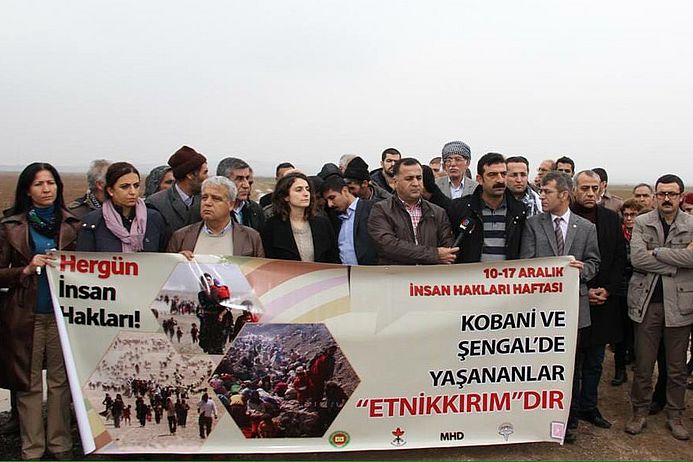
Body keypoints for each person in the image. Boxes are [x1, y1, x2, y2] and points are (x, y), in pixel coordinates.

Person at [0, 162, 79, 460]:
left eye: (51, 183)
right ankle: (32, 448)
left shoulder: (73, 224)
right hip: (26, 315)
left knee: (60, 382)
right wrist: (26, 268)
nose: (47, 189)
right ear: (27, 190)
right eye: (39, 184)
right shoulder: (11, 226)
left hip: (63, 316)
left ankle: (60, 445)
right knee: (29, 383)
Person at [520, 171, 600, 443]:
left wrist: (582, 271)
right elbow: (527, 263)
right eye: (541, 191)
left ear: (564, 195)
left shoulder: (586, 228)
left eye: (547, 192)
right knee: (539, 367)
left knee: (570, 367)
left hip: (574, 310)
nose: (541, 196)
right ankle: (536, 419)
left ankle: (569, 421)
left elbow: (593, 263)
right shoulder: (533, 224)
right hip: (540, 311)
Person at [625, 174, 693, 441]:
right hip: (646, 302)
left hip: (681, 304)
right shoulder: (642, 222)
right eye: (662, 193)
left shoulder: (691, 223)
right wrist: (678, 261)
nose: (666, 199)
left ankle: (675, 415)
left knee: (676, 367)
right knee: (643, 363)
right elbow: (638, 258)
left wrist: (658, 252)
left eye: (672, 194)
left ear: (680, 196)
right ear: (655, 195)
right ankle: (639, 412)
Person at [570, 170, 626, 429]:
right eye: (585, 188)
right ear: (573, 190)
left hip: (604, 301)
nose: (591, 193)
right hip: (573, 301)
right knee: (572, 362)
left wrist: (607, 289)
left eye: (595, 188)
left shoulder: (611, 218)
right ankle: (569, 409)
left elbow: (617, 258)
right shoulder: (565, 217)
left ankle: (589, 407)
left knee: (595, 361)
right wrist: (585, 290)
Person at [368, 158, 457, 265]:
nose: (415, 183)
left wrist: (439, 256)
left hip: (429, 279)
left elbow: (448, 251)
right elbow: (388, 246)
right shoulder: (381, 210)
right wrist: (434, 255)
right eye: (409, 179)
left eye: (419, 178)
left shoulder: (438, 212)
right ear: (395, 182)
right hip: (396, 278)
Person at [447, 153, 527, 263]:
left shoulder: (519, 210)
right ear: (479, 179)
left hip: (507, 278)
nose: (500, 180)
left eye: (503, 174)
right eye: (492, 175)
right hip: (472, 277)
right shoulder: (460, 208)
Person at [76, 162, 168, 252]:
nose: (133, 192)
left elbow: (165, 258)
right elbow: (85, 262)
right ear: (110, 190)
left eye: (136, 186)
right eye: (125, 187)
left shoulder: (154, 219)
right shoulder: (93, 222)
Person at [167, 176, 265, 259]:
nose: (207, 203)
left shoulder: (251, 237)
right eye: (204, 197)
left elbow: (259, 275)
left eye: (216, 198)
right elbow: (168, 273)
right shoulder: (181, 237)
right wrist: (177, 261)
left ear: (231, 204)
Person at [261, 172, 340, 263]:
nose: (306, 194)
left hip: (321, 276)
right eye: (299, 190)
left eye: (307, 189)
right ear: (285, 196)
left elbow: (334, 258)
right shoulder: (272, 226)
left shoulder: (322, 223)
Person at [612, 198, 646, 386]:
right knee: (621, 331)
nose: (629, 218)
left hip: (642, 286)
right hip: (622, 286)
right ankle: (619, 369)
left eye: (633, 215)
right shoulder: (619, 234)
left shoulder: (646, 235)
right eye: (626, 215)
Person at [146, 145, 208, 234]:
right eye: (204, 173)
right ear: (190, 175)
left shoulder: (206, 201)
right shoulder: (156, 204)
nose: (207, 178)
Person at [320, 175, 378, 265]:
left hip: (372, 273)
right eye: (327, 200)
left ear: (345, 191)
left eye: (332, 198)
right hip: (343, 275)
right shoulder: (333, 218)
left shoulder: (372, 208)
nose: (330, 204)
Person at [217, 157, 266, 232]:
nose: (246, 185)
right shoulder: (207, 209)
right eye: (239, 179)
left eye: (247, 178)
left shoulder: (255, 209)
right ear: (223, 181)